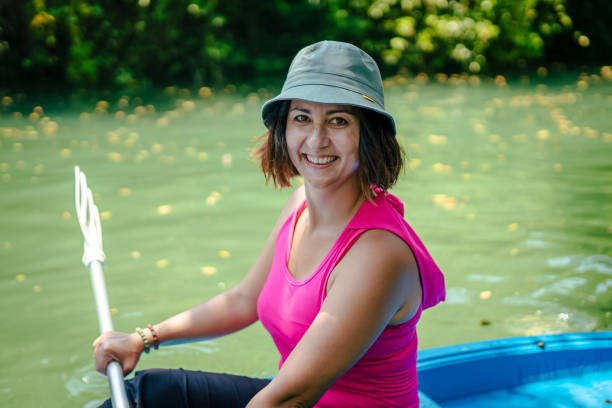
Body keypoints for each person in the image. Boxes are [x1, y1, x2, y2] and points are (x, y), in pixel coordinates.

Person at [93, 40, 446, 408]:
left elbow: (288, 399)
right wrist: (144, 338)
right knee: (148, 396)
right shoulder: (299, 207)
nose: (316, 139)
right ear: (284, 130)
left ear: (369, 135)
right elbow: (244, 300)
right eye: (302, 118)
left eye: (339, 120)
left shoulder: (379, 253)